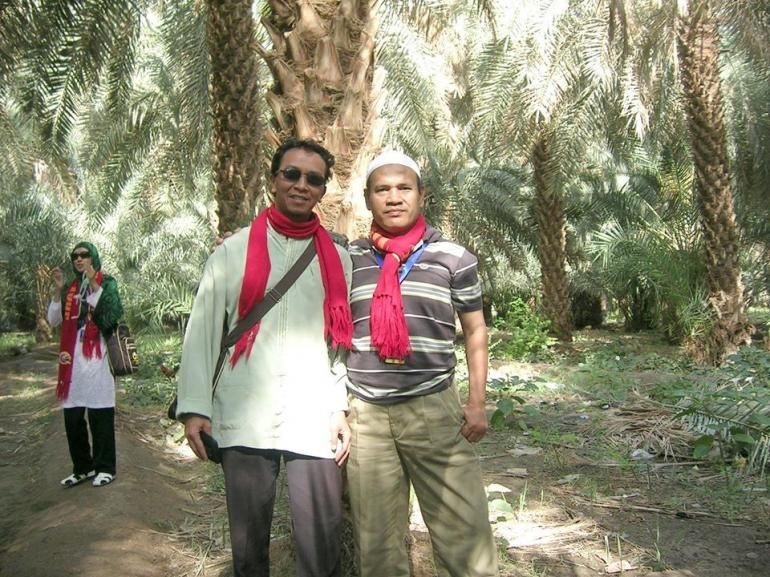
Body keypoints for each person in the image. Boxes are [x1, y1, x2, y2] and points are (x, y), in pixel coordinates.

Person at [175, 139, 353, 577]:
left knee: (320, 541)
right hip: (244, 413)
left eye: (313, 179)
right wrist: (194, 408)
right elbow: (201, 334)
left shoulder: (340, 260)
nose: (301, 185)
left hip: (312, 416)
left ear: (323, 190)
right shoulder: (231, 252)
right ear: (274, 180)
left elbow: (340, 346)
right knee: (249, 545)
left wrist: (339, 407)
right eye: (291, 174)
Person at [345, 150, 498, 577]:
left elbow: (475, 331)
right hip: (367, 417)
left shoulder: (454, 257)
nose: (393, 197)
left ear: (421, 195)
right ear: (367, 198)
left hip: (434, 410)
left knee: (464, 534)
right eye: (382, 189)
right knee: (377, 545)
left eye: (403, 188)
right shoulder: (348, 257)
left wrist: (477, 401)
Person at [48, 242, 123, 488]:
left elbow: (110, 316)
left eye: (84, 255)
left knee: (100, 414)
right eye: (75, 256)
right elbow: (53, 320)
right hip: (72, 363)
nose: (79, 260)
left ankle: (105, 468)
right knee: (73, 417)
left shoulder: (107, 282)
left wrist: (93, 284)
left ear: (93, 257)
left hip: (98, 359)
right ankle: (83, 467)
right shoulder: (70, 287)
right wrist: (58, 291)